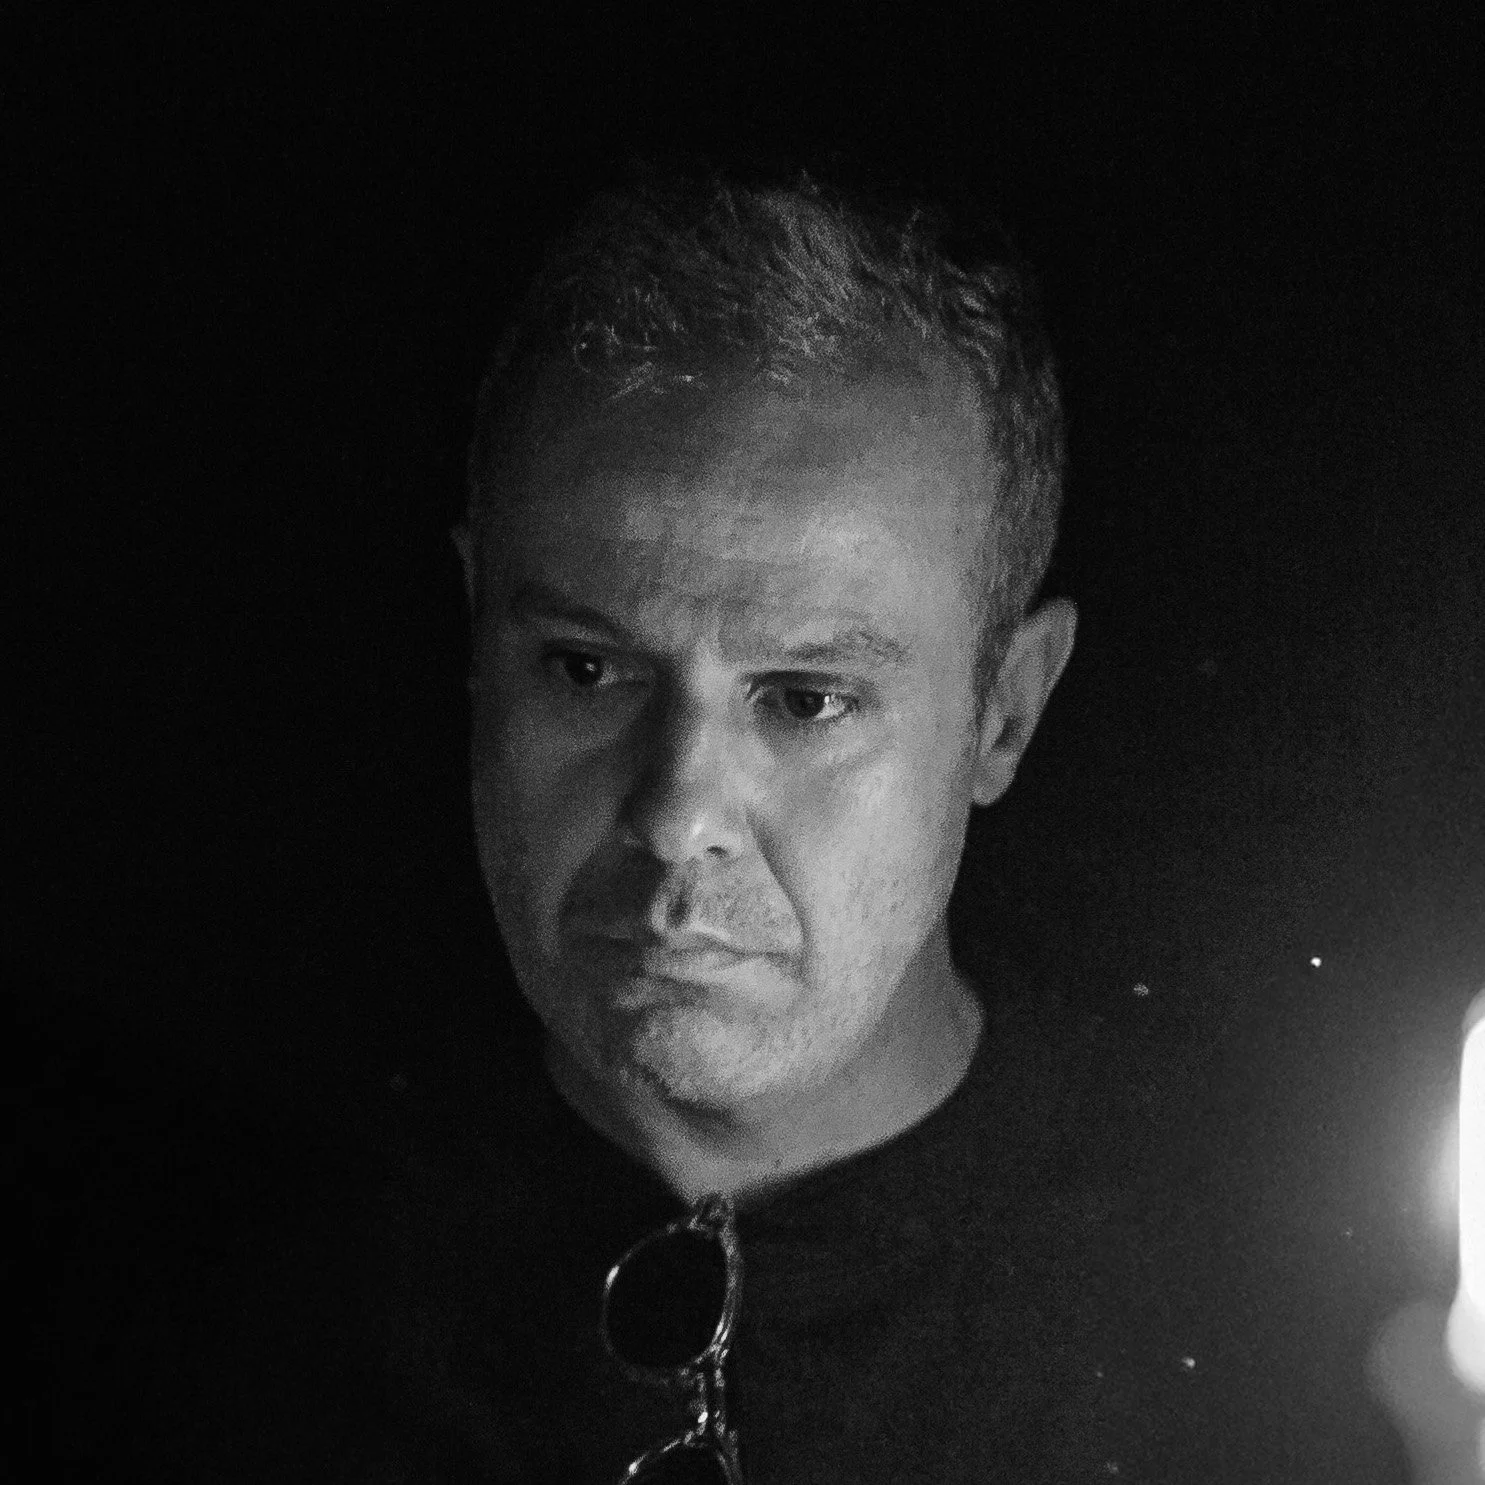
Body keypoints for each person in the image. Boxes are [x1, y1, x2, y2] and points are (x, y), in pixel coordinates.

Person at [347, 164, 1418, 1483]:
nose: (679, 813)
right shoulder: (228, 1286)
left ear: (1003, 716)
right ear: (475, 637)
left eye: (805, 699)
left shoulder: (1272, 1339)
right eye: (584, 670)